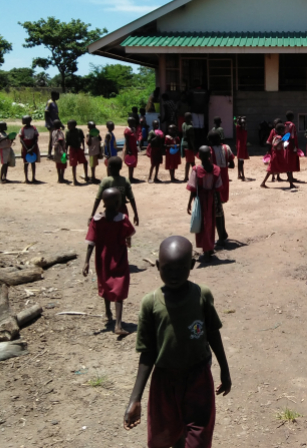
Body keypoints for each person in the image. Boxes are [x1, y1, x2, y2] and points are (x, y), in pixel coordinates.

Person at [124, 236, 231, 447]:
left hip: (198, 378)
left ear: (191, 265)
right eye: (167, 269)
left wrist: (225, 370)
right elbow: (147, 353)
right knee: (166, 435)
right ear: (158, 266)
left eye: (181, 268)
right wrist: (135, 398)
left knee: (199, 438)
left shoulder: (201, 295)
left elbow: (213, 333)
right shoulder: (150, 304)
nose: (174, 275)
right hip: (165, 381)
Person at [82, 187, 135, 336]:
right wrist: (128, 240)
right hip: (118, 258)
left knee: (105, 282)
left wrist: (86, 262)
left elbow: (91, 242)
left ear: (103, 203)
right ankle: (118, 324)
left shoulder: (97, 220)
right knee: (119, 287)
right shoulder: (122, 219)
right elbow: (129, 232)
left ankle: (108, 313)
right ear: (118, 203)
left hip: (102, 258)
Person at [187, 146, 224, 258]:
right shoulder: (216, 169)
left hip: (200, 200)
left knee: (202, 223)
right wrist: (219, 203)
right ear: (209, 156)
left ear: (199, 156)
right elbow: (218, 188)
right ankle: (209, 247)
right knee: (210, 223)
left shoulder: (196, 169)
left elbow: (193, 189)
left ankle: (206, 249)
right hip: (212, 199)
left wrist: (189, 203)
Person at [91, 157, 140, 226]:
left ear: (109, 168)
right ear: (121, 167)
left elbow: (98, 199)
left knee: (110, 229)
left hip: (109, 212)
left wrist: (92, 215)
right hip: (123, 210)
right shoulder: (125, 181)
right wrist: (136, 214)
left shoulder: (105, 181)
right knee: (123, 229)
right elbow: (131, 198)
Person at [261, 123, 295, 189]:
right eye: (283, 130)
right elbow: (275, 146)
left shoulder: (277, 137)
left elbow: (282, 146)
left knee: (272, 170)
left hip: (278, 155)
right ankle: (291, 184)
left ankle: (291, 184)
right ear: (281, 130)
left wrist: (284, 144)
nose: (284, 131)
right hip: (277, 156)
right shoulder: (278, 138)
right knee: (283, 169)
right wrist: (281, 141)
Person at [66, 119, 88, 185]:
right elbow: (67, 143)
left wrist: (83, 147)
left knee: (85, 162)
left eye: (70, 125)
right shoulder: (68, 133)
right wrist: (65, 152)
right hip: (72, 149)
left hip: (78, 148)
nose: (68, 126)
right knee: (74, 164)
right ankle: (74, 179)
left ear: (74, 125)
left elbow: (82, 139)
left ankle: (86, 176)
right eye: (68, 125)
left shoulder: (79, 131)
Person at [19, 115, 40, 184]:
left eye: (23, 120)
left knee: (33, 162)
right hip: (26, 147)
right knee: (26, 163)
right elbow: (21, 140)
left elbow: (36, 139)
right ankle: (26, 178)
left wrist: (31, 148)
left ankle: (33, 178)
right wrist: (27, 148)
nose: (22, 121)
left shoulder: (34, 129)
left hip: (32, 146)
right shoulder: (22, 129)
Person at [284, 112, 300, 178]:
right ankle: (290, 177)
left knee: (287, 160)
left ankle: (289, 176)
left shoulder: (284, 125)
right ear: (291, 117)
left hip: (286, 144)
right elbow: (292, 137)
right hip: (291, 145)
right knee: (292, 160)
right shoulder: (292, 125)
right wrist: (294, 147)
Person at [44, 91, 60, 158]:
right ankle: (49, 153)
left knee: (58, 138)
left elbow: (56, 115)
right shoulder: (49, 102)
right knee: (52, 138)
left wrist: (60, 123)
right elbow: (46, 113)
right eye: (57, 96)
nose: (58, 97)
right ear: (53, 95)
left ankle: (57, 152)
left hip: (56, 124)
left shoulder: (54, 103)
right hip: (51, 124)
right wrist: (48, 123)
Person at [51, 119, 67, 184]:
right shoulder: (59, 132)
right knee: (63, 163)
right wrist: (63, 150)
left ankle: (59, 178)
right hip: (61, 149)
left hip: (55, 149)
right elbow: (60, 140)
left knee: (58, 164)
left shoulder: (53, 132)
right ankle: (62, 178)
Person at [181, 112, 196, 182]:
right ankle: (186, 177)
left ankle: (195, 175)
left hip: (184, 143)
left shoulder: (183, 124)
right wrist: (193, 147)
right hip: (189, 145)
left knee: (192, 161)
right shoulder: (190, 127)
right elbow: (191, 138)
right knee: (189, 161)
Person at [124, 117, 140, 183]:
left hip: (134, 147)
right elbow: (127, 141)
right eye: (133, 122)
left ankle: (132, 176)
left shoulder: (133, 129)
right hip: (130, 148)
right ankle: (130, 177)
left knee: (133, 162)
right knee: (130, 162)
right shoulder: (127, 130)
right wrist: (128, 150)